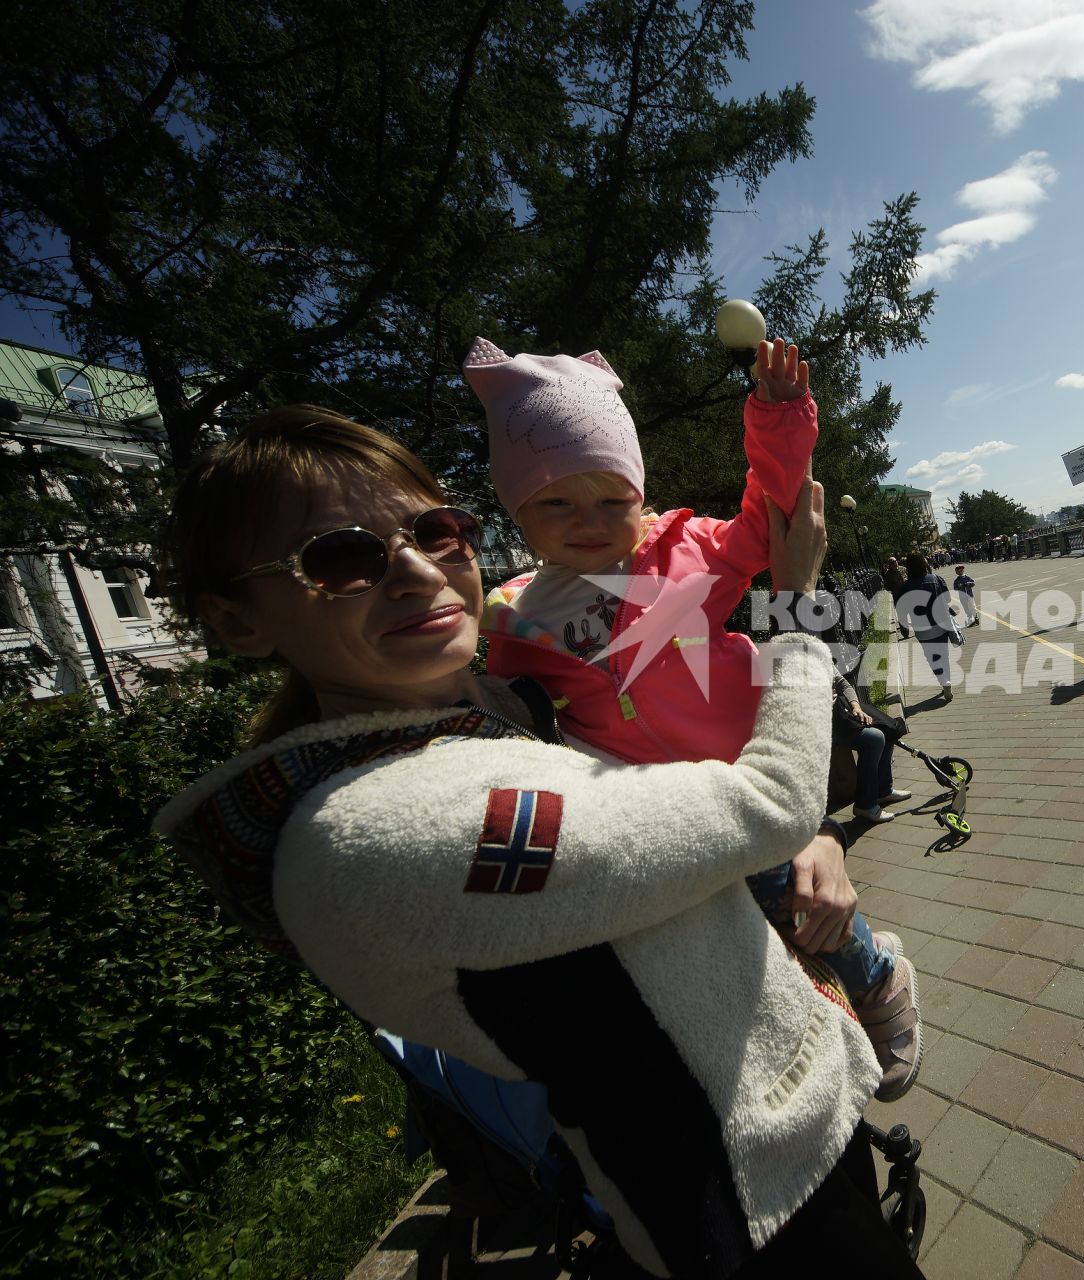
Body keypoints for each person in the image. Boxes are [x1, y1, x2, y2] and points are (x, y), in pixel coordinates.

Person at [155, 407, 925, 1278]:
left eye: (436, 530)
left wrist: (816, 839)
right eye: (338, 557)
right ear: (238, 621)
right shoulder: (377, 830)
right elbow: (763, 805)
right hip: (743, 1196)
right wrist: (797, 613)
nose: (415, 570)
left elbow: (696, 808)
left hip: (788, 1104)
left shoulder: (496, 706)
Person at [466, 337, 921, 1100]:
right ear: (516, 509)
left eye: (613, 498)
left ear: (640, 496)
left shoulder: (682, 549)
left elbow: (772, 517)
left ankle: (879, 978)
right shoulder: (515, 621)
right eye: (555, 502)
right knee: (741, 935)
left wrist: (778, 422)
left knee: (798, 899)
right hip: (666, 817)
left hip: (752, 774)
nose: (590, 522)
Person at [833, 666, 911, 823]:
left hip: (840, 710)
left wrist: (856, 706)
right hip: (822, 722)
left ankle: (883, 790)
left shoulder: (818, 652)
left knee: (888, 728)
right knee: (874, 739)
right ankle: (865, 805)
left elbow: (843, 683)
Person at [896, 551, 959, 703]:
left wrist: (904, 624)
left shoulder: (905, 586)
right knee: (944, 655)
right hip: (941, 623)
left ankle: (944, 681)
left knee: (932, 657)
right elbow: (948, 598)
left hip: (922, 628)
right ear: (924, 563)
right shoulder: (936, 579)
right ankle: (947, 681)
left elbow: (901, 609)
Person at [951, 563, 978, 627]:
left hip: (969, 595)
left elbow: (973, 583)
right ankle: (970, 618)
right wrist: (960, 586)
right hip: (962, 597)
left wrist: (968, 584)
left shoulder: (967, 577)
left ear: (963, 570)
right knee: (966, 608)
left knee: (973, 606)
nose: (960, 571)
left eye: (961, 570)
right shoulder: (956, 580)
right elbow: (955, 588)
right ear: (956, 572)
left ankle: (975, 617)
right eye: (958, 571)